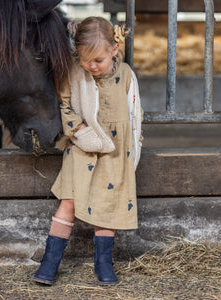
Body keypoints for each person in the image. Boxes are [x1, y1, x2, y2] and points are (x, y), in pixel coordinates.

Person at [34, 16, 143, 285]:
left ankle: (103, 263)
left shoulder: (127, 74)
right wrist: (80, 132)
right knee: (68, 203)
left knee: (107, 208)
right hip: (82, 149)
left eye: (98, 60)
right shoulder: (74, 72)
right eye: (85, 60)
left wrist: (134, 148)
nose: (91, 66)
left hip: (115, 152)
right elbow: (66, 107)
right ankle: (50, 262)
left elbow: (135, 113)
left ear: (114, 50)